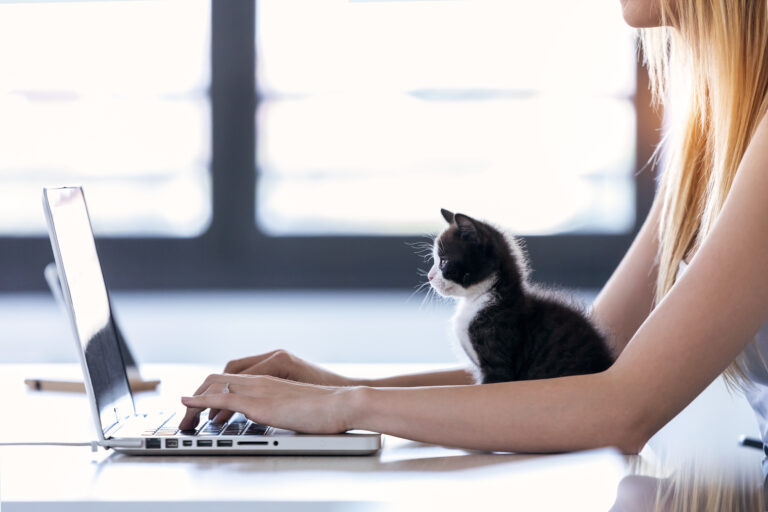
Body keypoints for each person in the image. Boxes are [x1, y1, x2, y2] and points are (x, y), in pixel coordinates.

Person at [179, 0, 768, 461]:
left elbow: (618, 410)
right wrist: (332, 387)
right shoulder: (711, 138)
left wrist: (344, 405)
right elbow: (587, 368)